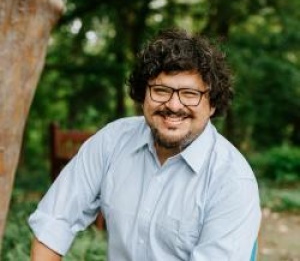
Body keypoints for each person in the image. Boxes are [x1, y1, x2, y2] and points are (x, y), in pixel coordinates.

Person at [29, 28, 261, 260]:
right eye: (161, 90)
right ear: (143, 95)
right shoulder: (112, 141)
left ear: (212, 104)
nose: (173, 105)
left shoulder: (232, 181)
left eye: (190, 94)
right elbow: (54, 222)